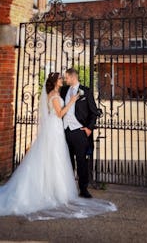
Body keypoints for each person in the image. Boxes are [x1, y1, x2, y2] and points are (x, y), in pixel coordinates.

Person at [0, 72, 116, 220]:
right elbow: (60, 114)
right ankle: (52, 191)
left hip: (58, 129)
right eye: (60, 79)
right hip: (55, 129)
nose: (62, 81)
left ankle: (64, 188)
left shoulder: (58, 93)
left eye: (64, 78)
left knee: (56, 159)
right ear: (55, 82)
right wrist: (71, 102)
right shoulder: (55, 95)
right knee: (54, 157)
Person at [61, 67, 99, 198]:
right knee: (68, 161)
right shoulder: (63, 90)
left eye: (66, 77)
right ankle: (69, 189)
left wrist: (89, 128)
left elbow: (94, 112)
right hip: (66, 131)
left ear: (73, 77)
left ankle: (83, 189)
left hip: (80, 131)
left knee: (82, 161)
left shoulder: (86, 91)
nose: (65, 80)